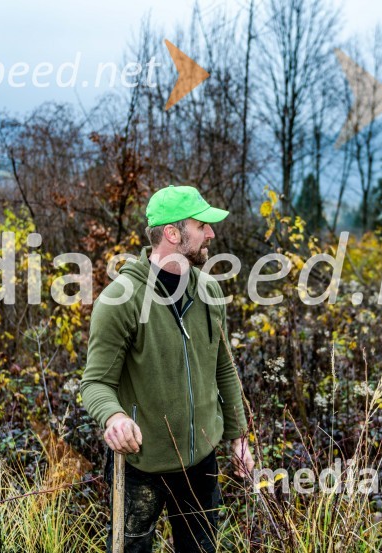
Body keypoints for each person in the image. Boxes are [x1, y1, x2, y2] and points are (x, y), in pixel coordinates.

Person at [80, 184, 253, 552]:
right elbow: (95, 383)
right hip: (140, 467)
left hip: (201, 466)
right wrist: (114, 418)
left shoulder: (210, 291)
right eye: (201, 225)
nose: (211, 233)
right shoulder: (119, 300)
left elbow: (224, 369)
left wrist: (238, 438)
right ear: (173, 234)